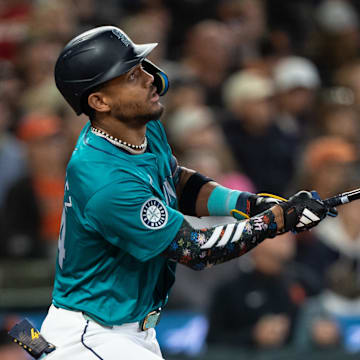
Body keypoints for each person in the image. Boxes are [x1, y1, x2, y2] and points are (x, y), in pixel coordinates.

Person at [32, 26, 333, 359]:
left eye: (143, 67)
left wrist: (247, 204)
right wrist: (275, 222)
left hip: (129, 329)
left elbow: (175, 181)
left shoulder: (140, 128)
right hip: (94, 334)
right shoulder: (104, 179)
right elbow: (195, 249)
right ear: (99, 100)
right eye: (132, 75)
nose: (149, 78)